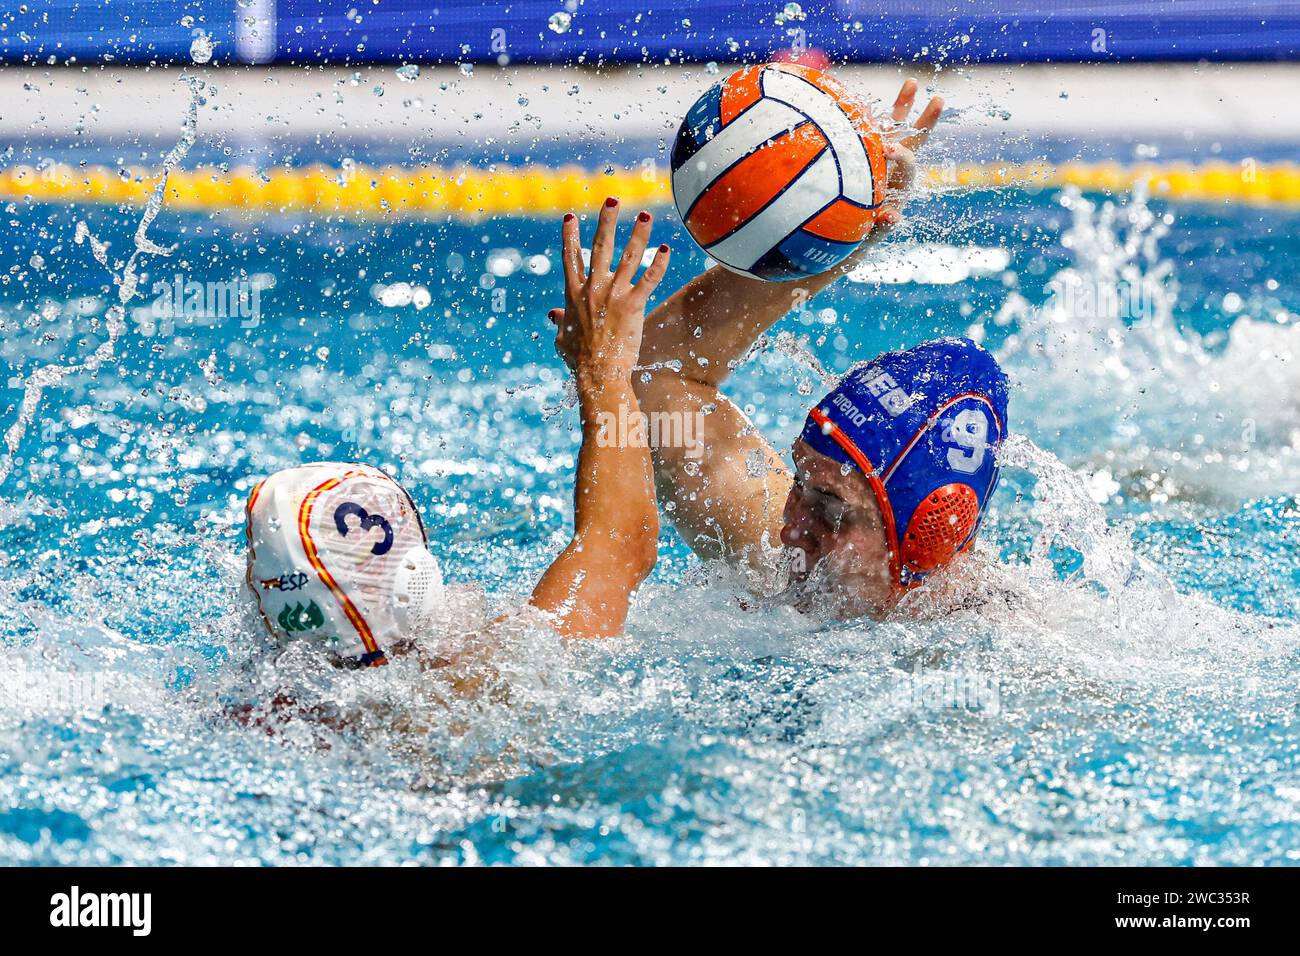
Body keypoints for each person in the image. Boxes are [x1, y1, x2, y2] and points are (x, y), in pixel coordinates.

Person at [550, 79, 1010, 621]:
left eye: (830, 507)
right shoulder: (786, 564)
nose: (791, 528)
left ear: (927, 535)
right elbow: (652, 377)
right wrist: (837, 233)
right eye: (800, 482)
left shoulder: (1012, 660)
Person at [244, 205, 671, 667]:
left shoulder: (249, 711)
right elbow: (623, 541)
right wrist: (600, 369)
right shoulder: (485, 677)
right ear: (416, 581)